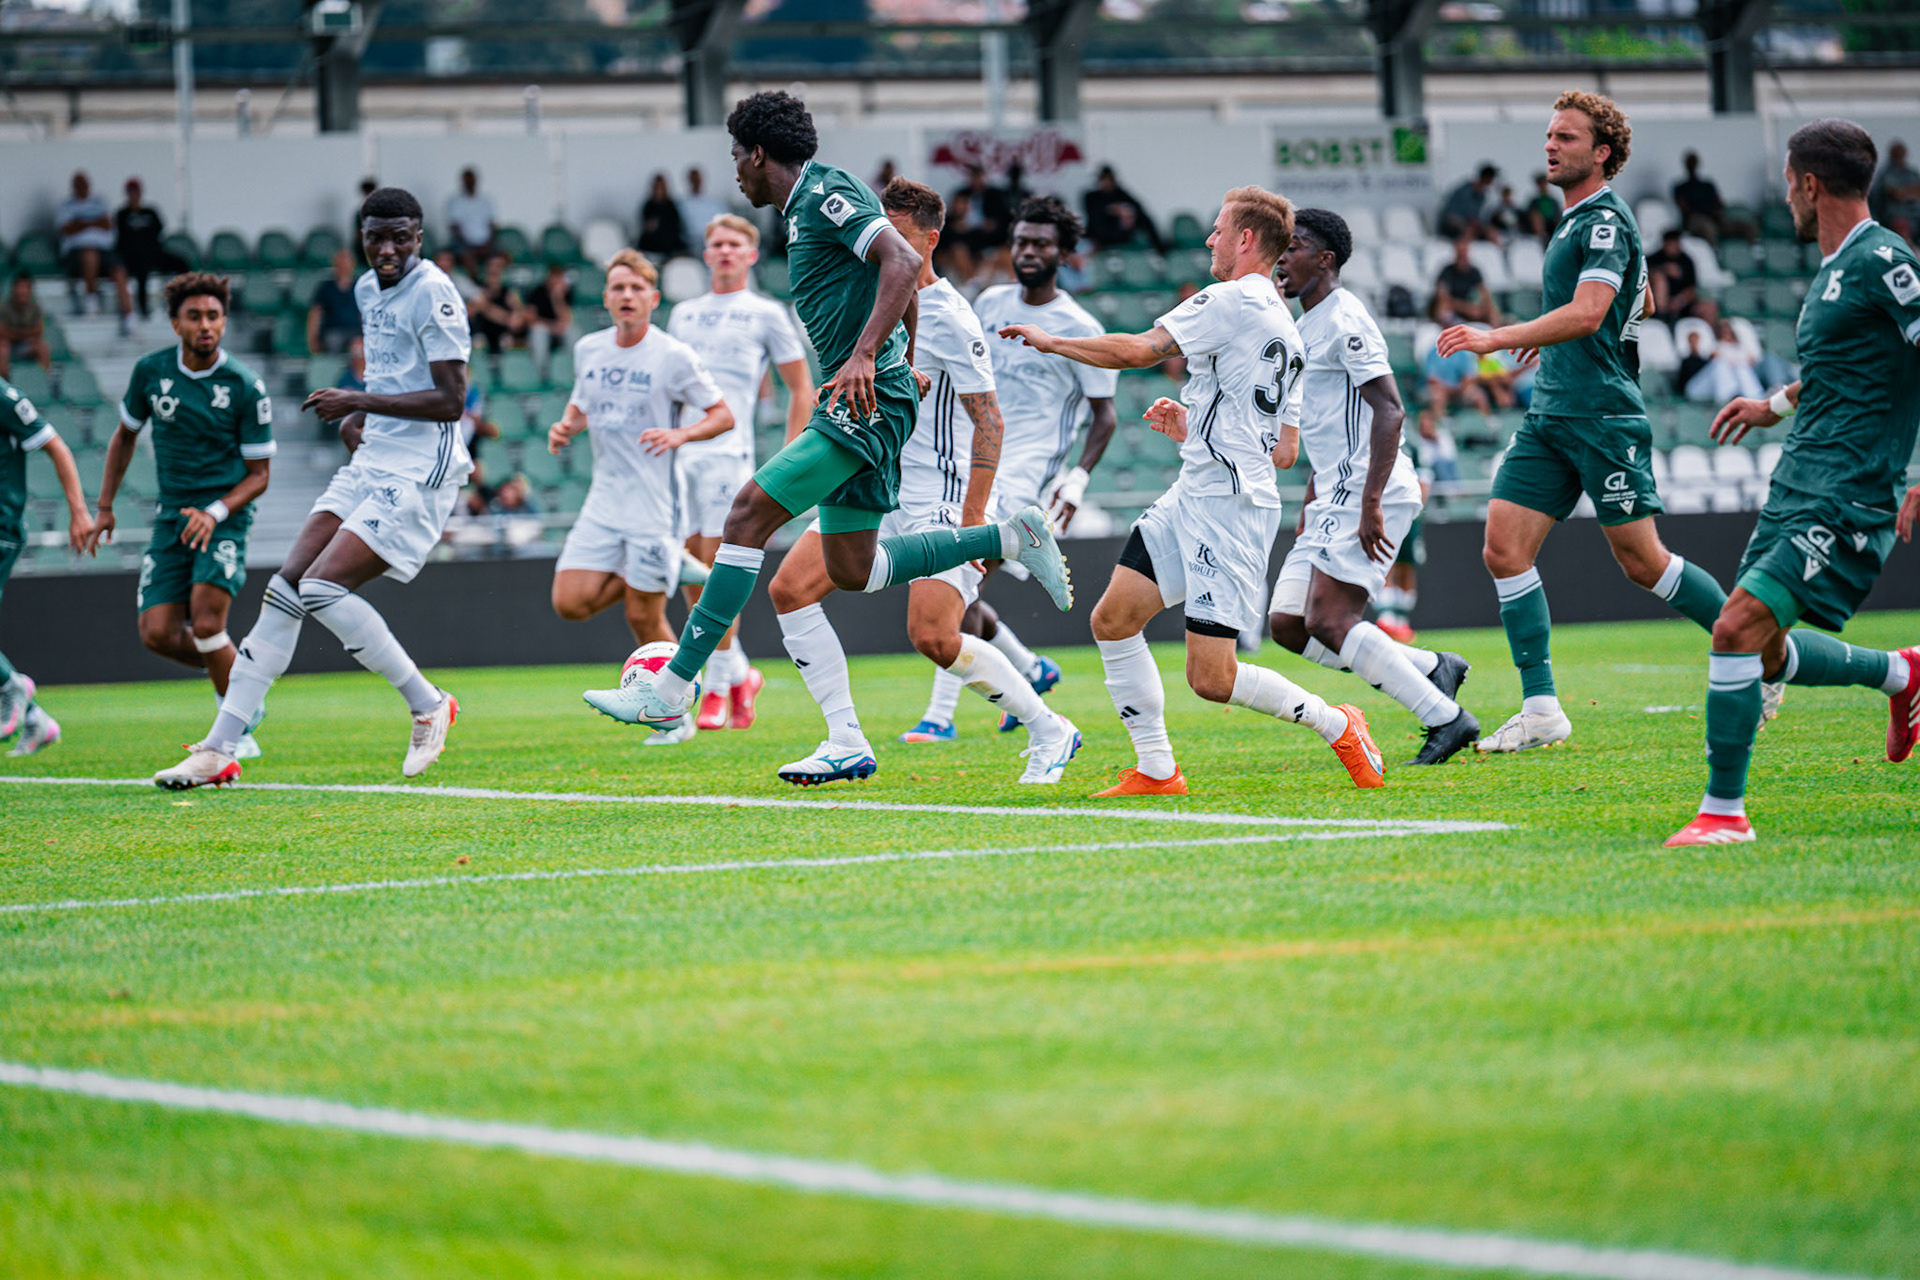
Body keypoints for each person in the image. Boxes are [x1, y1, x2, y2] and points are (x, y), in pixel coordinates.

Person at [580, 90, 1072, 755]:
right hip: (875, 396)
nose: (734, 172)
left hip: (861, 403)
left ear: (758, 153)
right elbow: (899, 275)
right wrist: (901, 356)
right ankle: (1009, 538)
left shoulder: (824, 192)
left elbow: (901, 261)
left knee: (747, 513)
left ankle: (672, 689)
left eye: (736, 157)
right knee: (854, 571)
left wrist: (874, 358)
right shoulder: (802, 210)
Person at [1000, 187, 1388, 796]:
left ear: (1246, 241)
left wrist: (1054, 342)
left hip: (1229, 511)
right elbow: (1283, 450)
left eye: (1217, 230)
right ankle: (1157, 768)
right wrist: (1196, 430)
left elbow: (1138, 350)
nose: (1208, 240)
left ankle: (1339, 722)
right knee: (1113, 618)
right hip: (1198, 491)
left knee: (1212, 678)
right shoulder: (1286, 326)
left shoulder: (1231, 299)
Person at [1439, 91, 1736, 754]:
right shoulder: (1576, 223)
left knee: (1642, 562)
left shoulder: (1603, 220)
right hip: (1553, 411)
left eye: (1566, 138)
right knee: (1502, 547)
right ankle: (1542, 709)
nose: (1550, 145)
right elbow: (1642, 297)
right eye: (1548, 135)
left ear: (1601, 153)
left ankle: (1759, 654)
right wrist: (1554, 333)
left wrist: (1504, 336)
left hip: (1600, 413)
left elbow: (1592, 311)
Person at [150, 187, 472, 789]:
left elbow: (452, 402)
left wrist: (357, 399)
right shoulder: (366, 288)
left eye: (401, 236)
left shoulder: (433, 291)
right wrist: (362, 418)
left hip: (421, 468)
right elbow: (391, 373)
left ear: (419, 238)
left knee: (322, 587)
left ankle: (427, 703)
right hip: (376, 456)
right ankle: (220, 746)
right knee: (284, 590)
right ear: (361, 236)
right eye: (377, 236)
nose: (388, 249)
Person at [766, 178, 1081, 785]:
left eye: (899, 233)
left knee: (934, 636)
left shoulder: (951, 315)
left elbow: (990, 421)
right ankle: (845, 739)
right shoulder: (872, 300)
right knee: (790, 589)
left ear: (930, 240)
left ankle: (1049, 728)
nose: (881, 245)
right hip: (874, 487)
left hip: (937, 497)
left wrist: (974, 523)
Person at [1666, 118, 1920, 846]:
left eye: (1787, 183)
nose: (1785, 198)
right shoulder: (1836, 266)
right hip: (1799, 477)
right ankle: (1902, 675)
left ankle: (1723, 814)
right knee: (1765, 646)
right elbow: (1844, 369)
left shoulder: (1882, 258)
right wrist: (1771, 405)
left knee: (1736, 625)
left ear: (1809, 184)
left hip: (1849, 489)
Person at [1267, 209, 1480, 765]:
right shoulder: (1303, 323)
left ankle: (1447, 717)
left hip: (1369, 488)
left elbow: (1390, 410)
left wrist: (1369, 503)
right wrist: (1315, 492)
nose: (1281, 257)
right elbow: (1327, 420)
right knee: (1289, 624)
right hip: (1333, 490)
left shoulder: (1345, 318)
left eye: (1294, 247)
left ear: (1326, 259)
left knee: (1330, 621)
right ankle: (1433, 669)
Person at [904, 195, 1117, 743]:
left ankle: (940, 715)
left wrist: (1078, 478)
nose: (1027, 252)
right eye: (1021, 241)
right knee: (962, 580)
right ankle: (1030, 669)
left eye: (1041, 244)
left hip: (1026, 474)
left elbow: (1104, 416)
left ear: (1064, 253)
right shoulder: (991, 301)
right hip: (972, 457)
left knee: (960, 582)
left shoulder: (1079, 325)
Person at [550, 248, 733, 748]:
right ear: (606, 298)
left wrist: (682, 435)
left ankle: (675, 716)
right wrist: (568, 425)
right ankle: (669, 566)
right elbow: (583, 400)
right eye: (618, 288)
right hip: (603, 499)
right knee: (569, 601)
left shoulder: (673, 355)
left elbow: (723, 415)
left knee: (642, 615)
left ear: (653, 299)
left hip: (655, 505)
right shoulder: (589, 348)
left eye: (636, 289)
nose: (627, 296)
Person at [86, 274, 274, 760]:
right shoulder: (150, 372)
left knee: (209, 621)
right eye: (194, 316)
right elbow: (124, 437)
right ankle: (246, 688)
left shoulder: (246, 387)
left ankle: (234, 730)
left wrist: (214, 511)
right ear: (175, 323)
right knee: (158, 634)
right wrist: (104, 508)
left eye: (214, 316)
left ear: (224, 322)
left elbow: (260, 475)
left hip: (224, 516)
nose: (205, 325)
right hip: (172, 517)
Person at [666, 213, 814, 732]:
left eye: (734, 244)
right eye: (716, 244)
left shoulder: (767, 312)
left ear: (751, 255)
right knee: (689, 571)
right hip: (681, 455)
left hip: (730, 455)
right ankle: (736, 673)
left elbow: (801, 388)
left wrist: (795, 452)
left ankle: (715, 683)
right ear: (705, 255)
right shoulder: (683, 314)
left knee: (716, 569)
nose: (725, 251)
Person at [0, 376, 92, 755]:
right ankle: (36, 719)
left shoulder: (5, 397)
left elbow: (56, 445)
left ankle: (12, 688)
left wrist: (79, 511)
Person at [57, 171, 132, 332]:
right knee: (90, 255)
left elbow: (107, 224)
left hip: (104, 250)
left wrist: (81, 223)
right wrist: (93, 222)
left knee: (119, 271)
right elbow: (68, 229)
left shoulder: (99, 202)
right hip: (77, 254)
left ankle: (130, 318)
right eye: (79, 186)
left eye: (85, 185)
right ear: (74, 188)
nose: (83, 188)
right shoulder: (67, 206)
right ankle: (91, 300)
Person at [114, 178, 188, 321]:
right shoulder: (122, 214)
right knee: (142, 268)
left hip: (154, 253)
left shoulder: (150, 212)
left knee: (182, 263)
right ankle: (143, 308)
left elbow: (159, 232)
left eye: (136, 192)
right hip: (133, 257)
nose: (134, 195)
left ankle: (183, 300)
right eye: (131, 192)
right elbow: (124, 239)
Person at [1672, 151, 1757, 246]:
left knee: (1748, 227)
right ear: (1686, 165)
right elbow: (1685, 209)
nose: (1692, 165)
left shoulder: (1707, 185)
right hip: (1695, 220)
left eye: (1694, 162)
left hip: (1715, 218)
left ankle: (1750, 254)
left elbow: (1719, 202)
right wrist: (1706, 212)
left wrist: (1716, 212)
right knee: (1709, 229)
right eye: (1690, 163)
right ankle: (1712, 257)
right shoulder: (1680, 187)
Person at [1082, 166, 1165, 252]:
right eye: (1103, 179)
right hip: (1101, 234)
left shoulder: (1120, 193)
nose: (1106, 182)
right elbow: (1095, 212)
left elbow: (1137, 207)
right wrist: (1115, 210)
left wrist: (1128, 213)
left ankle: (1160, 248)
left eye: (1108, 179)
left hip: (1121, 232)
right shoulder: (1091, 196)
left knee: (1144, 219)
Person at [1681, 318, 1762, 404]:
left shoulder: (1741, 348)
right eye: (1722, 330)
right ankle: (1726, 400)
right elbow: (1709, 356)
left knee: (1741, 368)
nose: (1725, 332)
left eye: (1728, 330)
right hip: (1696, 388)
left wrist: (1736, 363)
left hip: (1718, 389)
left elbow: (1751, 361)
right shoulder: (1711, 346)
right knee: (1721, 364)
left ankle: (1755, 398)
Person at [469, 252, 528, 356]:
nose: (494, 270)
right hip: (481, 333)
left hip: (502, 334)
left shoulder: (509, 293)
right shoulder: (478, 289)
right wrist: (504, 317)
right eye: (491, 266)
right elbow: (470, 311)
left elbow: (518, 320)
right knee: (478, 342)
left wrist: (488, 309)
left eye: (499, 266)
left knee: (509, 343)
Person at [307, 248, 363, 354]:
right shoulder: (326, 288)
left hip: (355, 331)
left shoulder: (359, 287)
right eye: (340, 262)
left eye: (346, 261)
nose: (343, 265)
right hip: (333, 331)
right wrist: (313, 340)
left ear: (353, 264)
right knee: (333, 341)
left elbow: (364, 314)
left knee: (360, 346)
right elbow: (315, 314)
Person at [1430, 237, 1497, 324]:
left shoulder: (1474, 271)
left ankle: (1494, 331)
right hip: (1454, 306)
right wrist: (1466, 308)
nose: (1462, 254)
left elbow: (1485, 294)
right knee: (1443, 307)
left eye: (1464, 250)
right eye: (1460, 251)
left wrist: (1479, 307)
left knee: (1490, 307)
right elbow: (1442, 297)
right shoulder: (1447, 271)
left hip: (1467, 305)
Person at [0, 274, 51, 380]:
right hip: (8, 345)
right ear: (14, 289)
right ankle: (5, 384)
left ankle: (45, 381)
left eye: (25, 287)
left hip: (25, 345)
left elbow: (38, 331)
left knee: (42, 347)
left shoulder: (35, 308)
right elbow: (2, 332)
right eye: (19, 287)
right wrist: (26, 333)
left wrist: (15, 333)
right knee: (2, 348)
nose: (22, 291)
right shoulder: (4, 308)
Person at [446, 167, 496, 273]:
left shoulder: (485, 201)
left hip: (485, 243)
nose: (470, 183)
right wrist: (470, 246)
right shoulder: (455, 202)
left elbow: (492, 225)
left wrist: (488, 244)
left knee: (503, 255)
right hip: (465, 244)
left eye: (472, 180)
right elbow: (455, 228)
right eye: (467, 180)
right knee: (467, 257)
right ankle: (476, 285)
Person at [525, 262, 573, 371]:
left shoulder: (566, 293)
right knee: (538, 330)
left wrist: (557, 298)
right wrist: (551, 326)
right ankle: (541, 371)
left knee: (571, 330)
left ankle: (573, 370)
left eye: (559, 278)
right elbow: (531, 319)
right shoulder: (537, 292)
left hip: (559, 328)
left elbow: (567, 319)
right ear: (548, 277)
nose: (556, 281)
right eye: (554, 277)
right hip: (544, 326)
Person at [1871, 141, 1920, 245]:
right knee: (1901, 225)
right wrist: (1911, 191)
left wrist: (1904, 192)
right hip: (1895, 215)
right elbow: (1895, 193)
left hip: (1915, 214)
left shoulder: (1911, 172)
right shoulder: (1886, 173)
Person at [1647, 227, 1700, 322]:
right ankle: (1662, 316)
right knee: (1659, 279)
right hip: (1654, 303)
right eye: (1671, 243)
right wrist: (1664, 269)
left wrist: (1679, 301)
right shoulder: (1654, 258)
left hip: (1681, 303)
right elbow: (1643, 273)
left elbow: (1692, 288)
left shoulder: (1686, 261)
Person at [1438, 164, 1500, 242]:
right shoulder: (1464, 191)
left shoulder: (1482, 196)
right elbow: (1451, 215)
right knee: (1470, 229)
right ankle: (1463, 251)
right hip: (1450, 225)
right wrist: (1470, 223)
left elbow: (1478, 218)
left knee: (1491, 232)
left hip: (1467, 225)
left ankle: (1499, 253)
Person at [638, 172, 688, 260]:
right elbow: (646, 226)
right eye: (657, 186)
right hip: (653, 243)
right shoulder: (648, 206)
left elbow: (677, 225)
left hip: (671, 243)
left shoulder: (671, 205)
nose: (659, 189)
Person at [677, 167, 726, 242]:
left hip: (712, 238)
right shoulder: (682, 204)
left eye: (697, 179)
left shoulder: (713, 203)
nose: (695, 182)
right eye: (693, 180)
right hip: (692, 242)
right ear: (689, 181)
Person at [1524, 171, 1561, 241]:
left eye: (1544, 183)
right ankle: (1541, 237)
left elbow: (1558, 214)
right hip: (1539, 227)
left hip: (1552, 224)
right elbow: (1530, 214)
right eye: (1541, 183)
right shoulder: (1534, 201)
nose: (1543, 186)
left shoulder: (1553, 201)